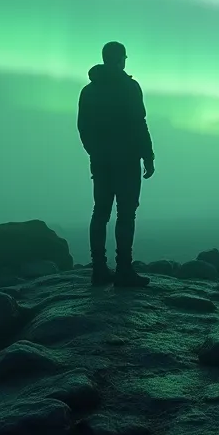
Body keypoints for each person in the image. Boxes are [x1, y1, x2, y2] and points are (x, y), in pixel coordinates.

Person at [77, 41, 156, 287]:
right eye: (123, 57)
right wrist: (148, 155)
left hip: (101, 162)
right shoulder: (130, 88)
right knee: (126, 214)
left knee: (100, 213)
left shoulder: (89, 91)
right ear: (120, 59)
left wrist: (95, 153)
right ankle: (123, 270)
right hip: (127, 160)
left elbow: (83, 128)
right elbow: (139, 123)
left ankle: (99, 269)